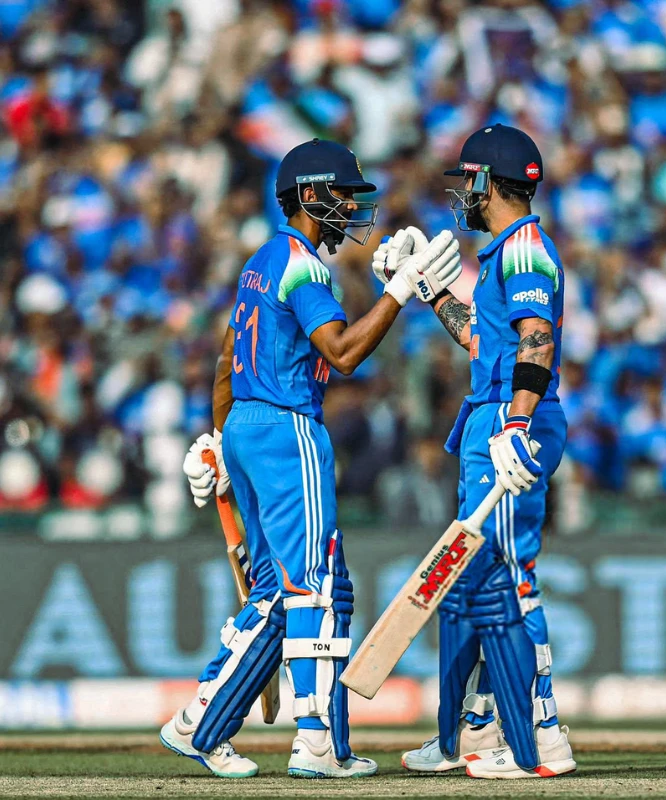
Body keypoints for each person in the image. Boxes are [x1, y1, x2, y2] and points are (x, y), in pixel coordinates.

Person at [160, 138, 461, 779]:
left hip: (246, 422)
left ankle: (201, 722)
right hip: (286, 425)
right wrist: (402, 291)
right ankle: (314, 741)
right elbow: (344, 353)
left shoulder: (262, 262)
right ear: (311, 196)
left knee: (289, 589)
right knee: (313, 586)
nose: (353, 208)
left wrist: (220, 440)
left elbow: (223, 362)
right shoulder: (303, 265)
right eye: (344, 196)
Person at [374, 124, 576, 779]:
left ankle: (542, 735)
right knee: (474, 585)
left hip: (511, 422)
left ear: (491, 181)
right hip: (491, 415)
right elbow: (485, 345)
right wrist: (433, 295)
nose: (462, 192)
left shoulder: (524, 250)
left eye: (468, 180)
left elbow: (536, 340)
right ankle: (481, 729)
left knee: (512, 582)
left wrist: (517, 425)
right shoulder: (503, 255)